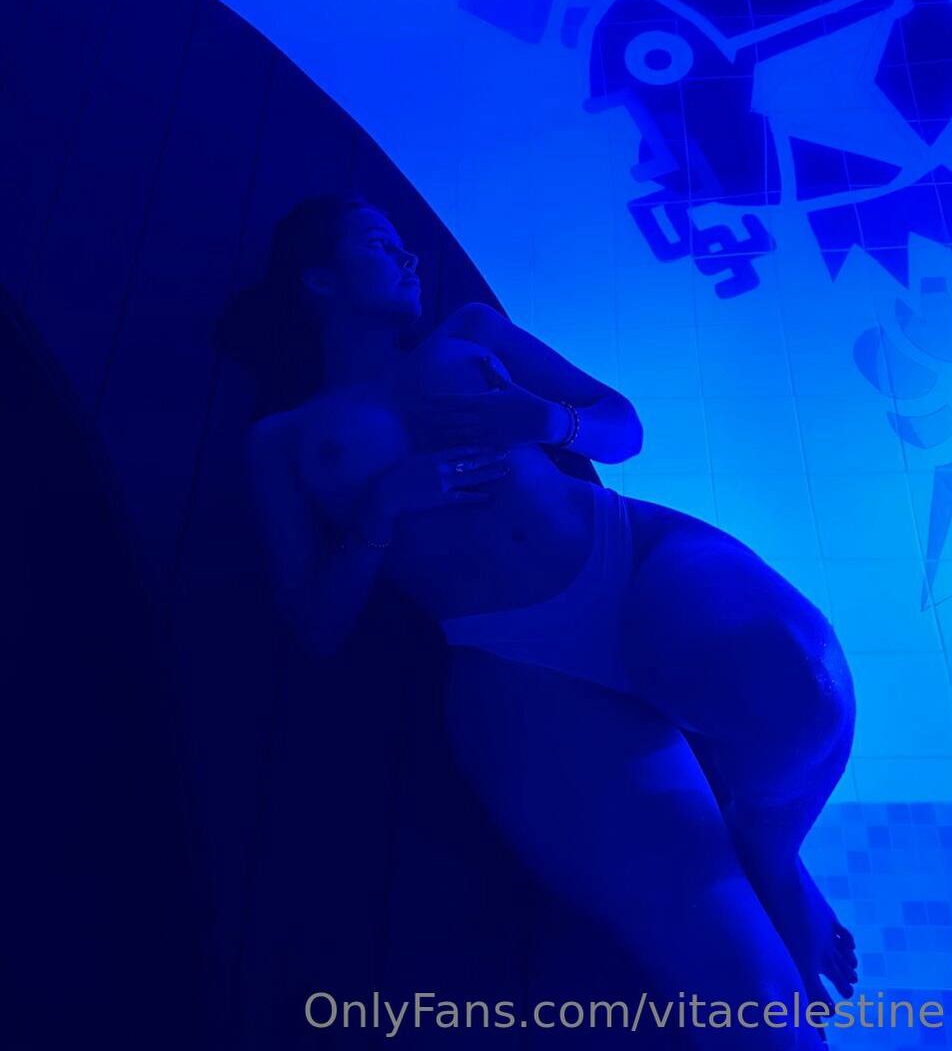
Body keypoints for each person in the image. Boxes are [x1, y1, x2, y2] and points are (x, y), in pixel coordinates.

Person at [227, 193, 857, 1047]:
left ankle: (772, 853)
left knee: (803, 688)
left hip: (631, 560)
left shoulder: (472, 332)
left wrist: (551, 420)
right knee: (752, 1000)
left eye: (406, 246)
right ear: (319, 280)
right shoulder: (284, 438)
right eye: (379, 243)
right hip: (515, 657)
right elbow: (315, 625)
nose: (409, 259)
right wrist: (378, 511)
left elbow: (622, 428)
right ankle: (744, 853)